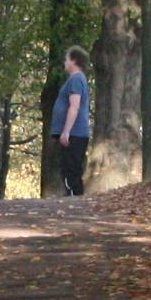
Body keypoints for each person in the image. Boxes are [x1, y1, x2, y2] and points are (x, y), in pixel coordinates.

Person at [51, 47, 90, 197]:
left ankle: (75, 201)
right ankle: (74, 198)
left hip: (75, 133)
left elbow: (74, 106)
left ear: (74, 60)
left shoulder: (76, 79)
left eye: (67, 59)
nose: (65, 62)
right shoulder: (74, 80)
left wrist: (66, 131)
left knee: (71, 170)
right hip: (73, 133)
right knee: (69, 168)